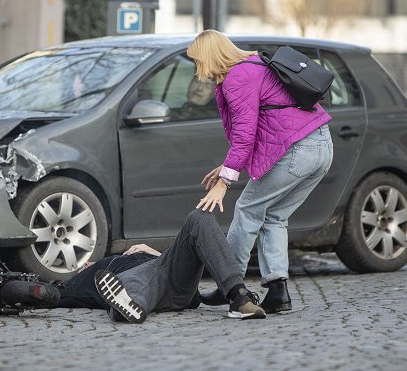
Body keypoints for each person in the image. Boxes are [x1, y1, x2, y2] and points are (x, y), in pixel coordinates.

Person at [186, 30, 334, 314]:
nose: (197, 69)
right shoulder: (256, 64)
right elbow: (270, 123)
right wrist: (227, 165)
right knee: (274, 216)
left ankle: (229, 284)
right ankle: (278, 292)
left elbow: (245, 135)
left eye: (197, 61)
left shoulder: (237, 77)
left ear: (209, 57)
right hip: (321, 147)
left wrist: (224, 183)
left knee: (247, 209)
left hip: (298, 150)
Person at [49, 210, 266, 323]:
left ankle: (238, 296)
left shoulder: (118, 257)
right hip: (139, 282)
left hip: (169, 275)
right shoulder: (81, 283)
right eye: (80, 267)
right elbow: (49, 295)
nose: (84, 264)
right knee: (130, 282)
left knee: (199, 217)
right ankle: (123, 309)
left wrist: (152, 251)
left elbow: (167, 263)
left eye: (85, 263)